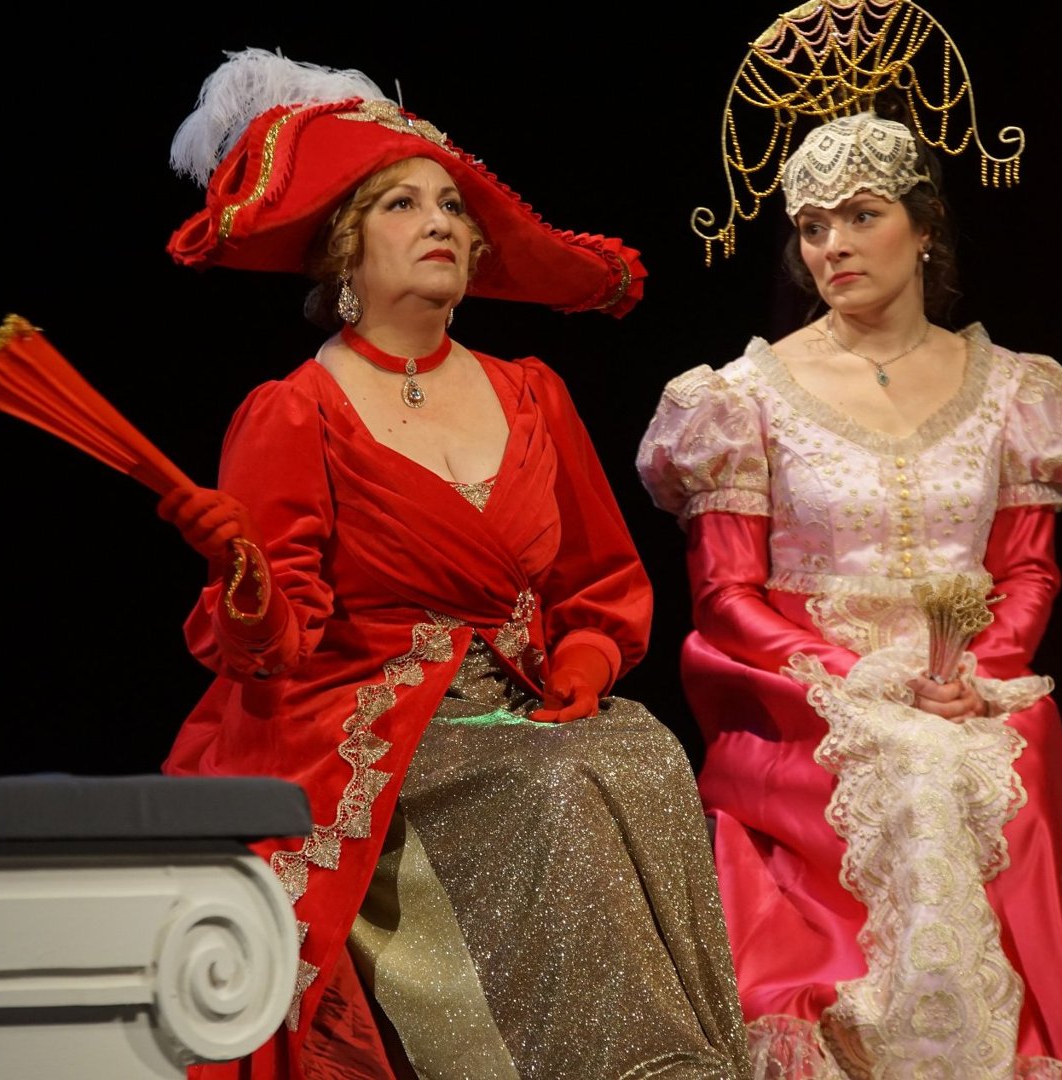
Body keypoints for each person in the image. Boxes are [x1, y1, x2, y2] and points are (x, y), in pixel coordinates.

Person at [638, 93, 1062, 1078]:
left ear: (925, 227)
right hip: (805, 703)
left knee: (974, 760)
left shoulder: (1015, 391)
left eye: (862, 216)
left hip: (973, 692)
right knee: (913, 770)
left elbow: (1026, 570)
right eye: (813, 227)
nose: (834, 247)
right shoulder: (738, 400)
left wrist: (977, 674)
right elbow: (725, 599)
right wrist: (852, 678)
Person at [156, 49, 751, 1079]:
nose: (440, 223)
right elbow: (274, 645)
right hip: (371, 722)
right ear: (344, 250)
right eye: (401, 204)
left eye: (451, 207)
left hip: (520, 709)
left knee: (642, 755)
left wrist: (585, 662)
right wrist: (246, 581)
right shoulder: (296, 412)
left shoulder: (532, 394)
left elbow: (599, 584)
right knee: (556, 785)